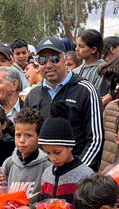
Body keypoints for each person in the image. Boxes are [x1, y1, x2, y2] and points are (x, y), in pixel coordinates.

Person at [24, 36, 104, 171]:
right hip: (42, 176)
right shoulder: (32, 95)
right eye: (43, 59)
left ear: (65, 59)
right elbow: (25, 137)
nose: (49, 65)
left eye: (55, 58)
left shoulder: (85, 90)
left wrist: (77, 172)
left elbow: (96, 140)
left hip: (78, 178)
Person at [74, 29, 109, 97]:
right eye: (77, 45)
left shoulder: (102, 70)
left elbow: (97, 95)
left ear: (93, 49)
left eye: (81, 46)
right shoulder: (76, 70)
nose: (76, 49)